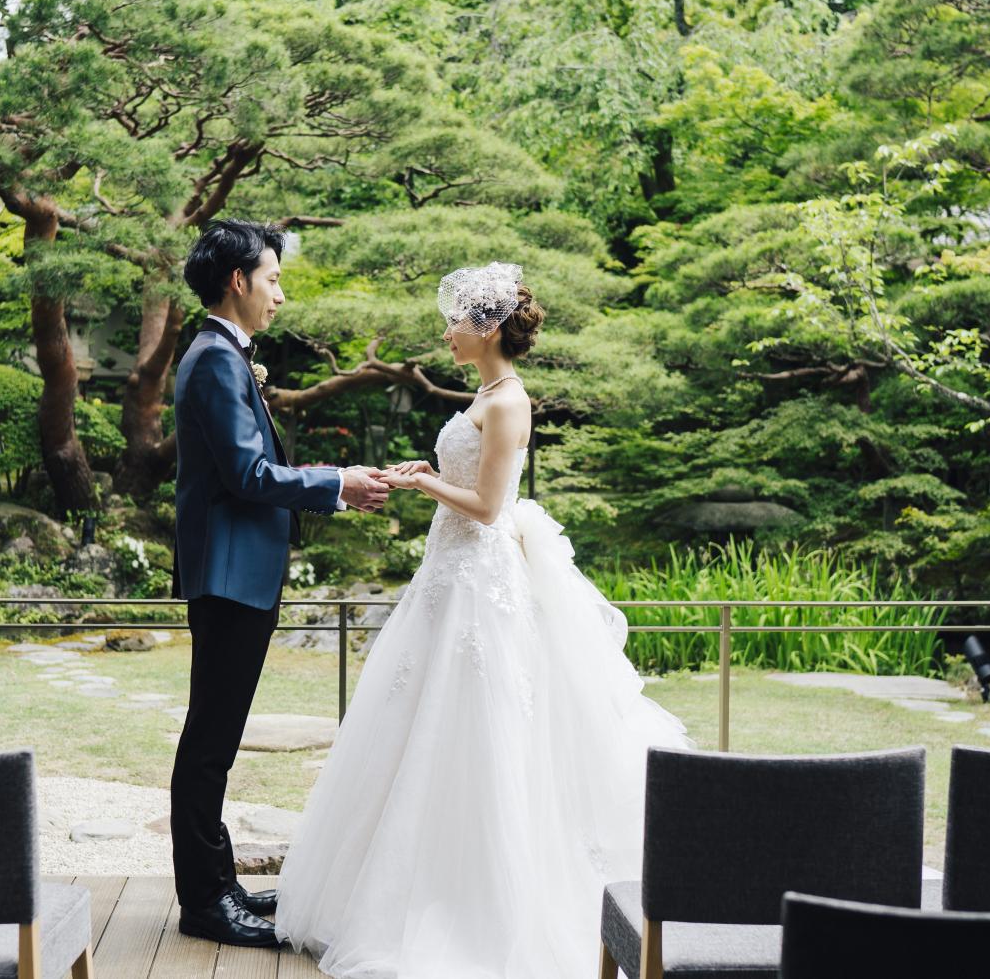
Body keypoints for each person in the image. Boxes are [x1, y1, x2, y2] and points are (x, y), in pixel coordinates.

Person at [274, 261, 693, 977]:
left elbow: (490, 507)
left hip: (479, 583)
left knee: (479, 724)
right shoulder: (485, 392)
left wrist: (425, 483)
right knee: (415, 722)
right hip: (447, 577)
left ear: (489, 328)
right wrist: (425, 474)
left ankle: (475, 904)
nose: (446, 333)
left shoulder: (508, 401)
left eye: (458, 322)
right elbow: (464, 482)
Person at [171, 218, 391, 947]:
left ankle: (219, 884)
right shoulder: (214, 359)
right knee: (210, 742)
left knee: (217, 740)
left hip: (243, 575)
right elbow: (246, 474)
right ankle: (206, 904)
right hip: (230, 576)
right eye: (272, 279)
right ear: (238, 281)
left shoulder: (226, 356)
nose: (281, 295)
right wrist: (338, 481)